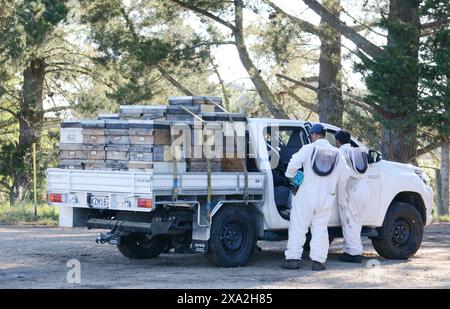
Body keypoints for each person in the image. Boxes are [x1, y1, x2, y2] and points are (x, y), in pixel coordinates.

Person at [282, 124, 349, 271]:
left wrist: (293, 178)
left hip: (305, 196)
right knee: (320, 229)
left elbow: (291, 167)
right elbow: (345, 176)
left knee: (298, 227)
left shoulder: (308, 149)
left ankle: (293, 259)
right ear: (324, 135)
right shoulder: (337, 153)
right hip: (326, 197)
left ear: (313, 135)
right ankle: (318, 262)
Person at [335, 130, 370, 263]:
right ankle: (350, 250)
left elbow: (339, 173)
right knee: (357, 221)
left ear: (338, 141)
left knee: (349, 222)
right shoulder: (358, 152)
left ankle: (354, 254)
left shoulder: (340, 153)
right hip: (364, 189)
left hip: (351, 190)